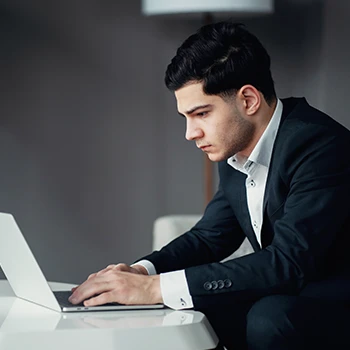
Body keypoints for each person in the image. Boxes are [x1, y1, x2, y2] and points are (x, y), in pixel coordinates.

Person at [68, 21, 350, 349]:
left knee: (268, 316)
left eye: (201, 113)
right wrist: (142, 273)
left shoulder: (320, 146)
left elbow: (288, 262)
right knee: (188, 307)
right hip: (293, 298)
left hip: (335, 304)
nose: (190, 133)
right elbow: (209, 238)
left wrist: (156, 287)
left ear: (248, 100)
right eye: (186, 117)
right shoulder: (237, 149)